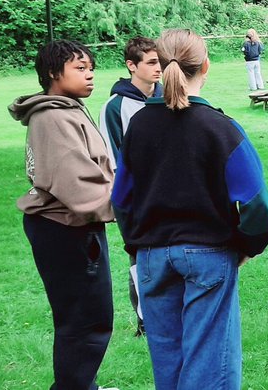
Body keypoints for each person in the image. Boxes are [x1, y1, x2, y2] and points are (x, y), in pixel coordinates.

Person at [112, 29, 268, 390]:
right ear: (205, 66)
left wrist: (135, 244)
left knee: (167, 358)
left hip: (152, 254)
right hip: (207, 253)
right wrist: (248, 245)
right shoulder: (221, 128)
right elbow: (256, 200)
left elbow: (121, 198)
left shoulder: (138, 126)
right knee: (209, 363)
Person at [9, 39, 116, 390]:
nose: (90, 75)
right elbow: (77, 185)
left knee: (86, 318)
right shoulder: (53, 117)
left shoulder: (64, 109)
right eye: (80, 68)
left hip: (68, 226)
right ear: (54, 73)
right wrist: (129, 209)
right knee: (85, 321)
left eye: (91, 68)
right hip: (66, 228)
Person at [99, 35, 163, 337]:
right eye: (151, 62)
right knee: (141, 258)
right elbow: (111, 161)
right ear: (131, 65)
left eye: (160, 61)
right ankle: (145, 322)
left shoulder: (167, 96)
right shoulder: (115, 107)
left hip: (170, 195)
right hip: (136, 200)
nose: (158, 68)